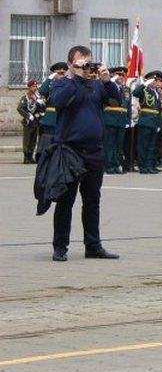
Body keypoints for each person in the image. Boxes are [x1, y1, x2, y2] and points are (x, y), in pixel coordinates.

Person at [47, 46, 122, 261]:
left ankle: (93, 245)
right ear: (71, 64)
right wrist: (77, 77)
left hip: (94, 151)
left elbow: (117, 100)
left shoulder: (97, 85)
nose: (87, 67)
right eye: (82, 63)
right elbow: (60, 101)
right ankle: (60, 246)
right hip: (70, 151)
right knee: (65, 201)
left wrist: (107, 80)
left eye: (88, 63)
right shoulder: (61, 83)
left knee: (92, 201)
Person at [134, 71, 162, 173]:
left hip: (154, 121)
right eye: (154, 80)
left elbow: (158, 110)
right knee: (143, 145)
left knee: (151, 146)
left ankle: (149, 166)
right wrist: (145, 83)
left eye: (157, 81)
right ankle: (142, 166)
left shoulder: (156, 92)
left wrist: (159, 124)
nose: (156, 82)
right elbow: (134, 93)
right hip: (145, 121)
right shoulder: (144, 90)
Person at [101, 67, 131, 174]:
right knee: (109, 144)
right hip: (110, 118)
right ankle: (109, 165)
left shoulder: (126, 89)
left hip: (122, 119)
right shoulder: (107, 87)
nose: (121, 77)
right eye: (118, 75)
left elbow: (128, 107)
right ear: (113, 75)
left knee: (119, 144)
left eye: (123, 75)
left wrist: (128, 120)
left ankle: (116, 164)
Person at [37, 62, 69, 159]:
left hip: (64, 117)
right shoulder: (50, 84)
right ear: (54, 73)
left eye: (63, 73)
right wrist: (50, 78)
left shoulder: (67, 84)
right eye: (59, 73)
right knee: (48, 141)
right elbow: (42, 91)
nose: (61, 75)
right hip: (51, 118)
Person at [18, 79, 42, 163]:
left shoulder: (37, 97)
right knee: (27, 140)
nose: (35, 88)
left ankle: (31, 157)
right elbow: (20, 108)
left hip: (35, 122)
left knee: (33, 140)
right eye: (33, 86)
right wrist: (28, 116)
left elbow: (40, 109)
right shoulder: (25, 98)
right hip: (28, 122)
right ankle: (26, 157)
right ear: (29, 87)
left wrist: (40, 104)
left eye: (36, 86)